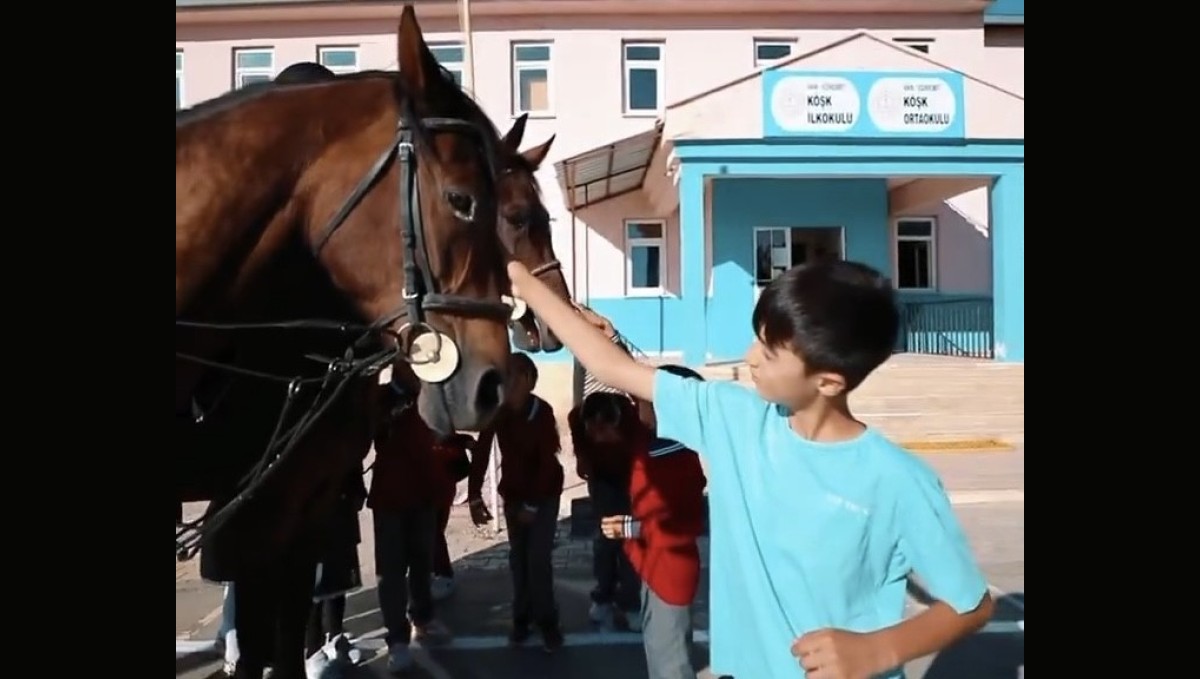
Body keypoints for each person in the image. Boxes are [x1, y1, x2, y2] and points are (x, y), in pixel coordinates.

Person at [507, 259, 995, 679]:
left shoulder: (897, 480)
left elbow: (971, 604)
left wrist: (878, 649)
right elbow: (614, 369)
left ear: (828, 382)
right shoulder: (734, 417)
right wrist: (532, 288)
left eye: (769, 350)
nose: (748, 357)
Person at [596, 365, 709, 679]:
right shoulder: (657, 442)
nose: (636, 406)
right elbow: (627, 376)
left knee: (669, 663)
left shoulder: (674, 457)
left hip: (670, 570)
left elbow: (679, 522)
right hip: (657, 565)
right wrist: (609, 338)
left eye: (644, 401)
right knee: (661, 652)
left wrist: (628, 528)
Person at [468, 352, 566, 653]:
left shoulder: (543, 412)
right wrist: (474, 496)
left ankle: (547, 622)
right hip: (513, 495)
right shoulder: (498, 412)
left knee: (538, 560)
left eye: (511, 377)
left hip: (544, 495)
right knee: (518, 560)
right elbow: (482, 451)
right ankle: (521, 619)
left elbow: (548, 464)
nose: (505, 384)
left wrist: (533, 507)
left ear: (526, 380)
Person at [369, 381, 453, 674]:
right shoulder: (382, 397)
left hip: (425, 491)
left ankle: (423, 618)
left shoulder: (432, 391)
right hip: (390, 494)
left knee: (422, 560)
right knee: (390, 571)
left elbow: (443, 430)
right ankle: (397, 640)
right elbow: (369, 431)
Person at [568, 391, 642, 630]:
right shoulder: (576, 418)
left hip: (631, 478)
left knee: (629, 542)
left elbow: (643, 454)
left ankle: (631, 603)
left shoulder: (632, 420)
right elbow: (580, 446)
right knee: (606, 540)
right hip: (602, 480)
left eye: (604, 430)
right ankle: (603, 596)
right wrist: (582, 458)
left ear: (615, 423)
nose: (598, 437)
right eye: (593, 430)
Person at [303, 464, 368, 677]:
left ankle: (335, 636)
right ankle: (311, 650)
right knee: (313, 580)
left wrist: (357, 487)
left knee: (339, 575)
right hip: (309, 503)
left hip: (340, 501)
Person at [431, 433, 475, 601]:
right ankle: (438, 573)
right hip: (437, 480)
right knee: (433, 531)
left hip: (437, 481)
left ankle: (442, 573)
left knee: (432, 530)